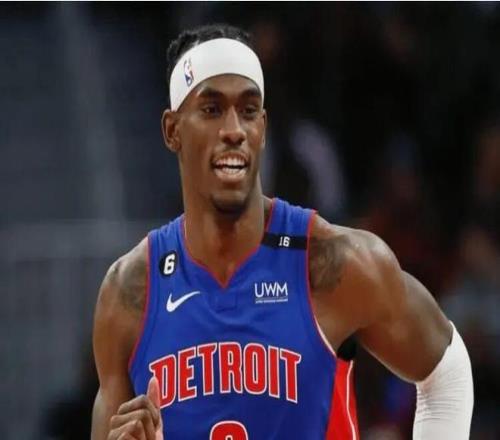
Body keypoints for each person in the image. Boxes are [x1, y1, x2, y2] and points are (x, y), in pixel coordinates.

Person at [91, 24, 473, 440]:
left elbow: (447, 372)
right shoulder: (129, 292)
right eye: (212, 109)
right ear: (172, 130)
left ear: (263, 127)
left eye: (248, 110)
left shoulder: (333, 262)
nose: (234, 129)